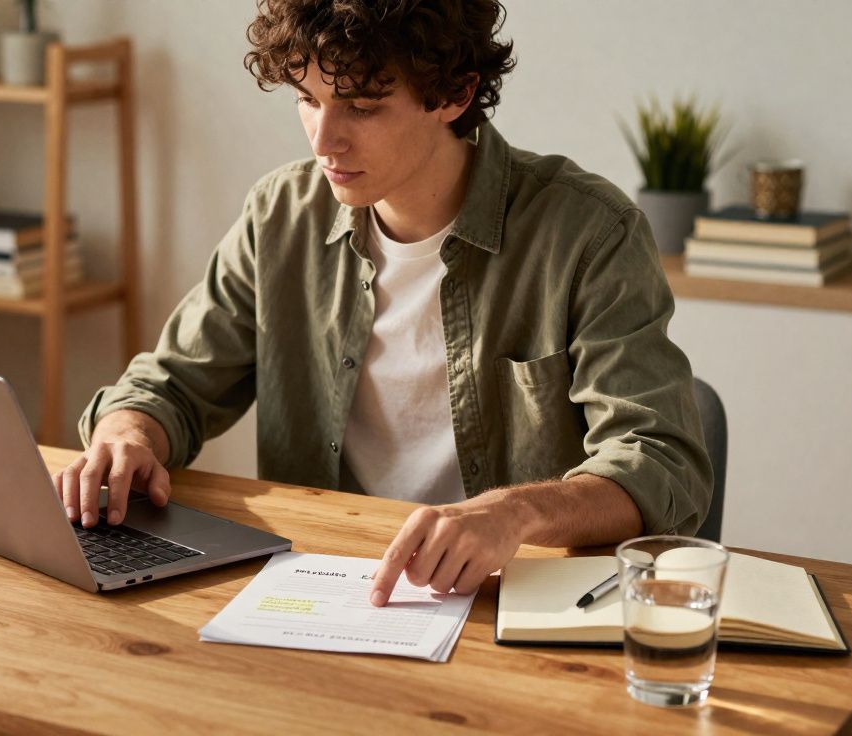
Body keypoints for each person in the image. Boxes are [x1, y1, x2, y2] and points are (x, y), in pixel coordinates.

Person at [56, 0, 712, 607]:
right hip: (327, 596)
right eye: (307, 100)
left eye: (361, 107)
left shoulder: (586, 232)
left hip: (512, 608)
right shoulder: (281, 216)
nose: (323, 141)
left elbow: (661, 459)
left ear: (453, 94)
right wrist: (128, 435)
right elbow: (172, 383)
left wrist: (515, 511)